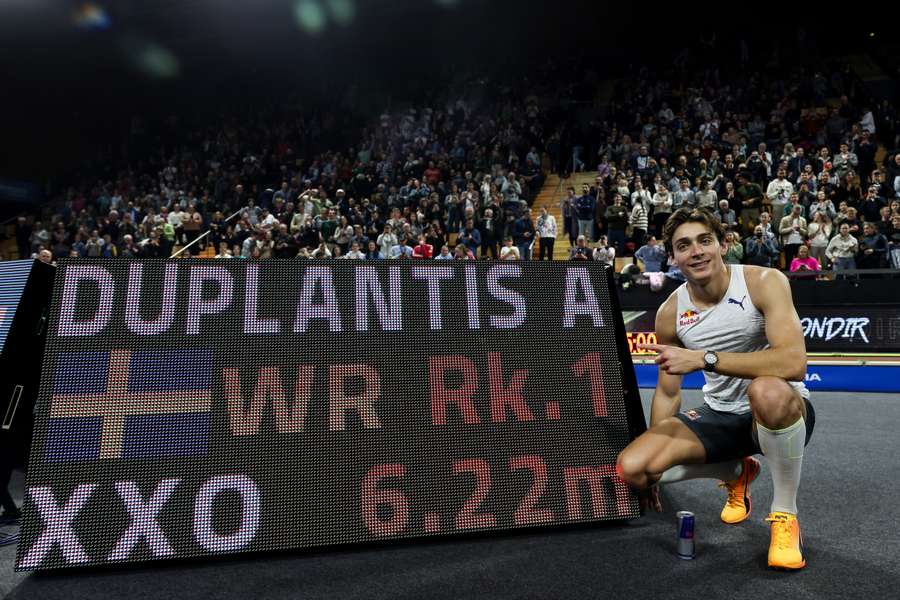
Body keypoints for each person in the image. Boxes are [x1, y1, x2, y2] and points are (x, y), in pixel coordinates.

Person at [616, 207, 814, 571]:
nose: (696, 251)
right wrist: (661, 459)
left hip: (780, 407)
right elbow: (668, 392)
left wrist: (703, 358)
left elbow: (793, 363)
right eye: (684, 245)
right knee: (633, 469)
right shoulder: (669, 312)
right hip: (720, 416)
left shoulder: (763, 281)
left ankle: (785, 514)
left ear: (723, 245)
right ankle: (738, 473)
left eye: (705, 240)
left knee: (766, 391)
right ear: (672, 257)